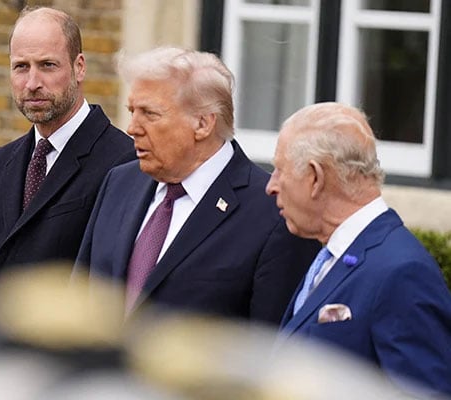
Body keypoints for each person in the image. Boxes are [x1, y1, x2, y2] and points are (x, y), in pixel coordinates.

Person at [73, 46, 320, 323]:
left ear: (203, 124)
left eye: (149, 114)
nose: (133, 128)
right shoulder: (119, 183)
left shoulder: (274, 213)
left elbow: (270, 348)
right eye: (132, 111)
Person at [0, 7, 135, 338]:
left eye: (47, 65)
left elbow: (111, 292)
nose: (32, 83)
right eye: (21, 67)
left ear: (79, 67)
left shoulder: (124, 163)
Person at [267, 102, 451, 396]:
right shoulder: (335, 253)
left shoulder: (401, 272)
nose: (271, 186)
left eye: (280, 170)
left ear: (315, 178)